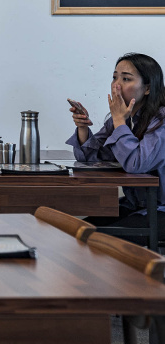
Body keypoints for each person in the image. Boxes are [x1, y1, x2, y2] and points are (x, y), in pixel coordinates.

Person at [67, 52, 165, 242]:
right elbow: (92, 159)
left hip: (160, 209)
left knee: (95, 240)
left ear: (147, 88)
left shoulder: (160, 119)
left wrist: (119, 121)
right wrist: (83, 128)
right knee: (74, 232)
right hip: (136, 205)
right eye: (114, 77)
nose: (116, 85)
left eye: (126, 79)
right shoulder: (122, 118)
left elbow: (136, 164)